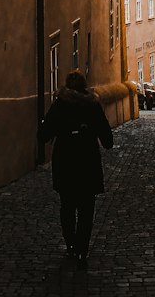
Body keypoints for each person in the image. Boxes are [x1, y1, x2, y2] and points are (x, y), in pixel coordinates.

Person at [39, 71, 113, 268]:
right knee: (87, 208)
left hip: (65, 161)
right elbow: (107, 138)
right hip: (87, 160)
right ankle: (82, 247)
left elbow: (45, 134)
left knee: (67, 205)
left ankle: (71, 243)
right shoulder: (92, 105)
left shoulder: (60, 105)